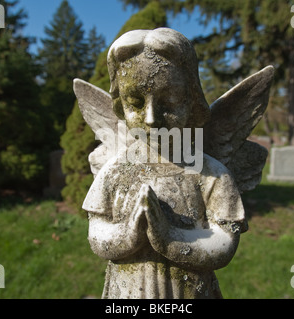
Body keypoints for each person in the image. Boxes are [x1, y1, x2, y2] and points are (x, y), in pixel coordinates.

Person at [82, 28, 247, 299]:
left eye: (169, 101)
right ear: (120, 106)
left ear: (192, 100)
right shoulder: (116, 171)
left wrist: (170, 238)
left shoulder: (210, 174)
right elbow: (97, 231)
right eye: (135, 102)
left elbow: (225, 241)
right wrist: (128, 235)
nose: (150, 119)